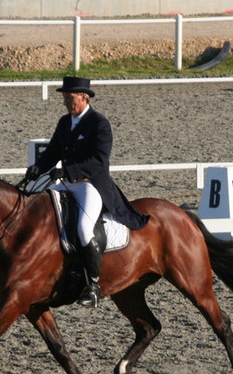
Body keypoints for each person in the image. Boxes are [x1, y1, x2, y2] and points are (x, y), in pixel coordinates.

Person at [25, 76, 148, 307]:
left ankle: (92, 285)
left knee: (83, 229)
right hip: (66, 181)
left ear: (83, 97)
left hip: (90, 184)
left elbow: (98, 161)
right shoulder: (64, 122)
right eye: (63, 97)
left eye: (69, 98)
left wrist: (67, 171)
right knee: (40, 209)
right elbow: (52, 152)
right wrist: (37, 168)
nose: (65, 102)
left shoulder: (99, 123)